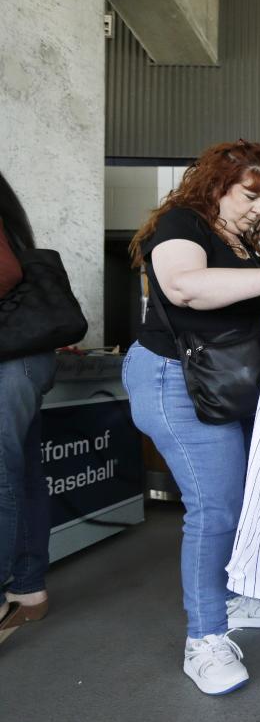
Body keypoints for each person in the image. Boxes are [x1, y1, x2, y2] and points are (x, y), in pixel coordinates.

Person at [122, 140, 260, 695]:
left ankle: (228, 596)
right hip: (175, 380)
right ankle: (204, 640)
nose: (259, 208)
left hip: (224, 385)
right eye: (249, 195)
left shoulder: (243, 240)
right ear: (216, 186)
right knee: (215, 505)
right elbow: (185, 287)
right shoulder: (183, 222)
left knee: (238, 498)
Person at [0, 173, 58, 646]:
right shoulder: (9, 212)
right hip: (23, 358)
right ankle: (28, 589)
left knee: (3, 473)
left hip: (10, 361)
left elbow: (4, 273)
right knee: (20, 471)